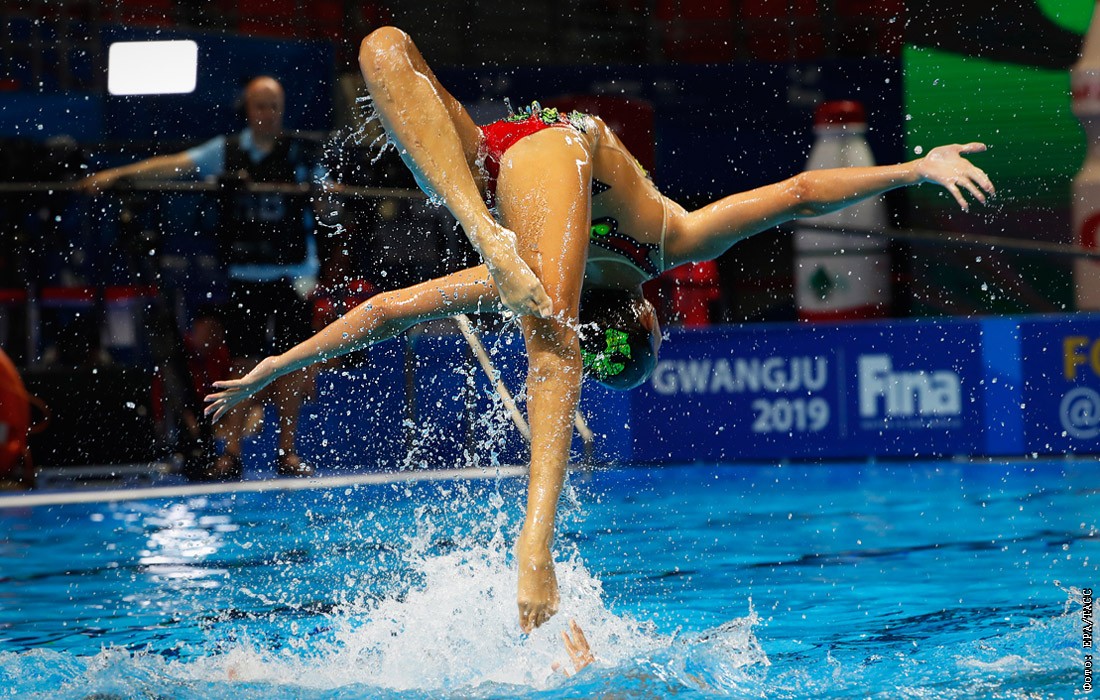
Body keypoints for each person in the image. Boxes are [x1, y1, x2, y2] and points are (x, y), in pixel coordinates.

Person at [204, 27, 995, 631]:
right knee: (534, 295)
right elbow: (382, 314)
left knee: (383, 49)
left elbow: (797, 191)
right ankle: (483, 235)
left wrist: (912, 168)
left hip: (534, 156)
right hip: (500, 174)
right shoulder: (572, 277)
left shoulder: (663, 243)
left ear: (649, 314)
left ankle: (532, 543)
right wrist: (279, 362)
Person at [83, 76, 335, 479]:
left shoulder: (301, 156)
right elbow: (175, 165)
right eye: (261, 106)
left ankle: (287, 451)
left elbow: (329, 206)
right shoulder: (227, 152)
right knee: (240, 364)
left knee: (292, 365)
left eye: (275, 106)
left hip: (291, 277)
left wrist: (322, 197)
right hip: (244, 275)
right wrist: (116, 176)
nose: (268, 114)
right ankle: (230, 452)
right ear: (247, 110)